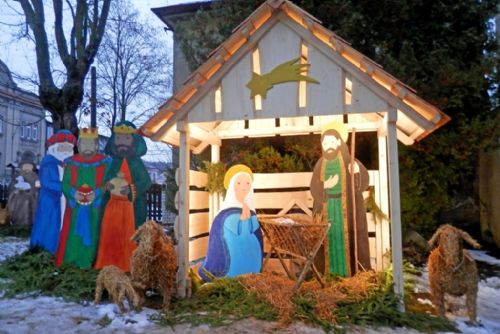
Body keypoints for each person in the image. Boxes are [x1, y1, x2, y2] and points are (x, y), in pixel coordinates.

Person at [310, 122, 371, 277]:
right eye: (325, 142)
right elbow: (314, 187)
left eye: (331, 141)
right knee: (328, 241)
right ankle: (328, 275)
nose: (328, 145)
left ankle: (352, 276)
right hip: (327, 208)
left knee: (348, 239)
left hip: (347, 211)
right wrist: (325, 185)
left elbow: (362, 183)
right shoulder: (320, 164)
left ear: (339, 142)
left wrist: (357, 172)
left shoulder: (349, 161)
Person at [94, 121, 151, 271]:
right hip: (112, 208)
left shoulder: (137, 163)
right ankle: (108, 262)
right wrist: (107, 186)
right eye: (119, 138)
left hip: (131, 209)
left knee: (130, 236)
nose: (122, 143)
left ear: (134, 141)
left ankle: (128, 264)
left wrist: (132, 189)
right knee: (111, 235)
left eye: (127, 138)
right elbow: (104, 180)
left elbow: (145, 181)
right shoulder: (112, 163)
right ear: (113, 140)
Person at [55, 128, 111, 268]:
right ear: (78, 145)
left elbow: (108, 183)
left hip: (96, 208)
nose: (87, 147)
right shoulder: (71, 163)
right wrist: (74, 194)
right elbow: (65, 184)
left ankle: (93, 261)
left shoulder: (104, 163)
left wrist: (97, 194)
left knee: (95, 234)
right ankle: (72, 261)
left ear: (97, 146)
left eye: (91, 144)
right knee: (73, 235)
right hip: (75, 209)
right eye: (84, 144)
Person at [199, 164, 263, 281]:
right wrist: (242, 218)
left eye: (247, 183)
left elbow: (254, 230)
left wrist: (249, 217)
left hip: (249, 254)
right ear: (232, 186)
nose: (244, 187)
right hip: (232, 253)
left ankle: (252, 273)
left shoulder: (250, 209)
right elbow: (229, 229)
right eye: (239, 183)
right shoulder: (224, 213)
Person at [30, 130, 76, 253]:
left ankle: (61, 248)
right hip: (51, 201)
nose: (65, 150)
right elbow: (48, 182)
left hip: (64, 199)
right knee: (49, 224)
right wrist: (67, 188)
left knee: (63, 224)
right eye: (62, 147)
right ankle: (45, 249)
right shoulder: (48, 163)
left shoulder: (69, 164)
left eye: (68, 147)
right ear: (55, 147)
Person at [7, 152, 40, 227]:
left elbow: (37, 188)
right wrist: (16, 191)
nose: (27, 168)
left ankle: (30, 223)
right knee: (21, 201)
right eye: (25, 166)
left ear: (32, 167)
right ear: (22, 166)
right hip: (18, 199)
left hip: (32, 198)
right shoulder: (17, 176)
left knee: (28, 201)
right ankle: (18, 223)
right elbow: (12, 187)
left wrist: (31, 192)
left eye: (29, 166)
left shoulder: (36, 177)